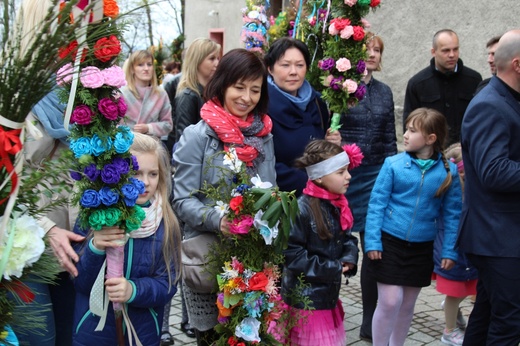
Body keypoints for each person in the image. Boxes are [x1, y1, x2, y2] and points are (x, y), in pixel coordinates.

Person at [173, 48, 275, 346]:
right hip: (210, 256)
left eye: (255, 90)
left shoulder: (265, 135)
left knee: (252, 336)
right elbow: (181, 200)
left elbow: (271, 190)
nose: (246, 97)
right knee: (214, 338)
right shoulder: (197, 136)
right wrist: (221, 220)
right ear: (222, 85)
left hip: (253, 257)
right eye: (239, 87)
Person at [12, 1, 84, 344]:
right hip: (24, 247)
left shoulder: (83, 86)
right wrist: (48, 229)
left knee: (71, 336)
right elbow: (7, 185)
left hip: (76, 245)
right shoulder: (12, 94)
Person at [72, 132, 182, 345]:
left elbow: (168, 284)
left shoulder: (167, 223)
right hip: (94, 332)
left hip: (142, 333)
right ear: (119, 172)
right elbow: (80, 282)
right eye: (136, 173)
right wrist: (95, 247)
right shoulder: (96, 214)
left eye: (153, 174)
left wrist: (133, 290)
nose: (145, 182)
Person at [365, 108, 462, 346]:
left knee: (407, 305)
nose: (405, 135)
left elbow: (453, 215)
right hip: (388, 243)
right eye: (406, 129)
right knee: (389, 301)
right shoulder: (393, 164)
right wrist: (372, 241)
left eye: (412, 130)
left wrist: (450, 250)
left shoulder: (448, 173)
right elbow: (376, 205)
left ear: (431, 138)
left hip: (421, 247)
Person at [458, 29, 520, 346]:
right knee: (509, 323)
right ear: (518, 64)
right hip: (496, 237)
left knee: (485, 315)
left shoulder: (509, 99)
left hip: (503, 235)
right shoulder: (490, 106)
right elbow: (494, 172)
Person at [339, 32, 397, 342]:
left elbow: (390, 137)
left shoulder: (385, 92)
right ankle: (329, 313)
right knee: (340, 244)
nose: (373, 54)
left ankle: (369, 321)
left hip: (377, 174)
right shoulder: (342, 89)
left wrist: (395, 173)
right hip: (346, 175)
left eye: (377, 50)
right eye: (367, 49)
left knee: (374, 247)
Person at [282, 139, 359, 345]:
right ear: (319, 177)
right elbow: (293, 255)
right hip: (306, 300)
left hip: (327, 297)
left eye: (347, 170)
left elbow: (348, 237)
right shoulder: (301, 209)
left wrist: (349, 258)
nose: (348, 176)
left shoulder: (338, 204)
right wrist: (333, 267)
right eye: (341, 172)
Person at [264, 37, 341, 195]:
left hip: (318, 197)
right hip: (283, 199)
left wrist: (332, 144)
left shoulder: (317, 101)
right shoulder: (262, 105)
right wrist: (310, 184)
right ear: (270, 69)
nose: (293, 72)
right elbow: (265, 163)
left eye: (300, 65)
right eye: (285, 65)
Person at [403, 29, 482, 146]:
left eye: (455, 49)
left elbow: (480, 119)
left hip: (466, 153)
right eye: (446, 50)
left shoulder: (474, 80)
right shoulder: (418, 84)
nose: (452, 55)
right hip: (431, 154)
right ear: (433, 52)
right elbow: (409, 125)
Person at [432, 143, 477, 346]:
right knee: (455, 293)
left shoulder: (471, 193)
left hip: (468, 254)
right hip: (454, 255)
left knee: (469, 290)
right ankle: (449, 331)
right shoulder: (454, 196)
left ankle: (455, 313)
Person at [173, 37, 221, 143]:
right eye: (212, 58)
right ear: (197, 61)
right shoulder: (187, 96)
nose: (217, 63)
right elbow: (184, 138)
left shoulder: (213, 92)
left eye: (218, 58)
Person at [121, 50, 173, 138]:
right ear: (132, 69)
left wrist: (148, 128)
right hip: (125, 145)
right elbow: (113, 124)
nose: (146, 68)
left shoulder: (161, 94)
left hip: (152, 146)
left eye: (149, 64)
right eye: (140, 65)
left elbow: (168, 125)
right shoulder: (122, 93)